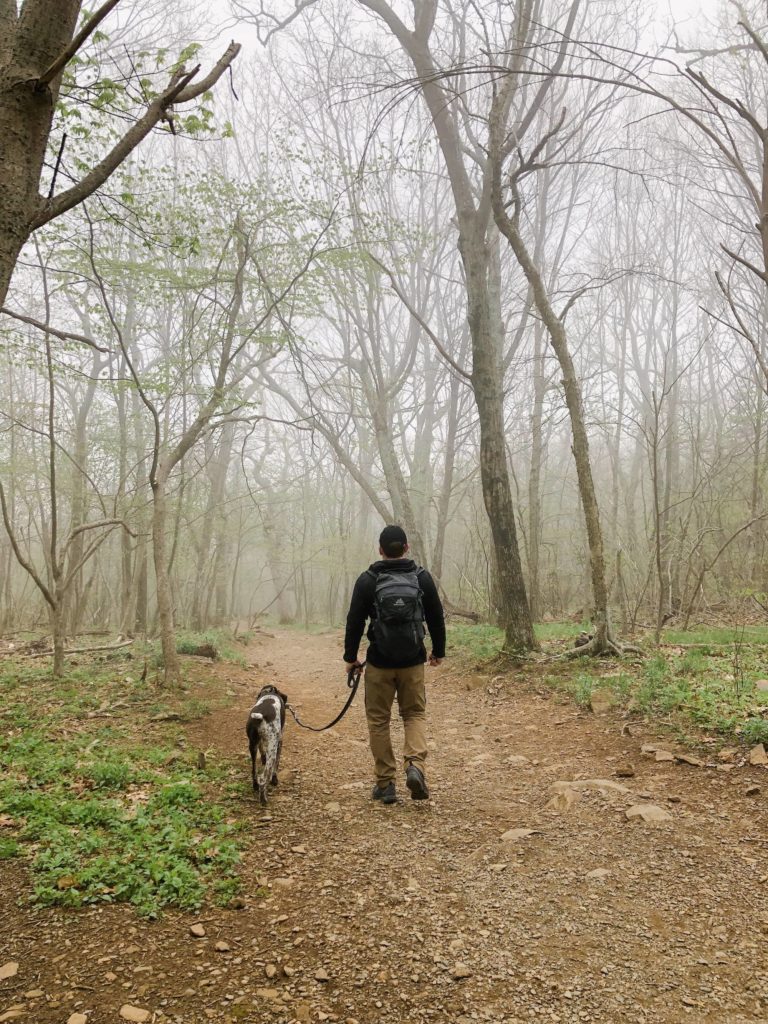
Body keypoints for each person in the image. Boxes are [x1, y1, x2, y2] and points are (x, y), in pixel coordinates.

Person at [344, 524, 446, 804]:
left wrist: (350, 658)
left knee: (379, 721)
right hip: (413, 661)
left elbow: (354, 621)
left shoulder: (368, 579)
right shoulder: (421, 578)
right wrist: (438, 651)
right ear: (406, 548)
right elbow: (436, 616)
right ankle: (415, 767)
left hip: (379, 662)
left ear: (380, 550)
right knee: (413, 715)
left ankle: (386, 783)